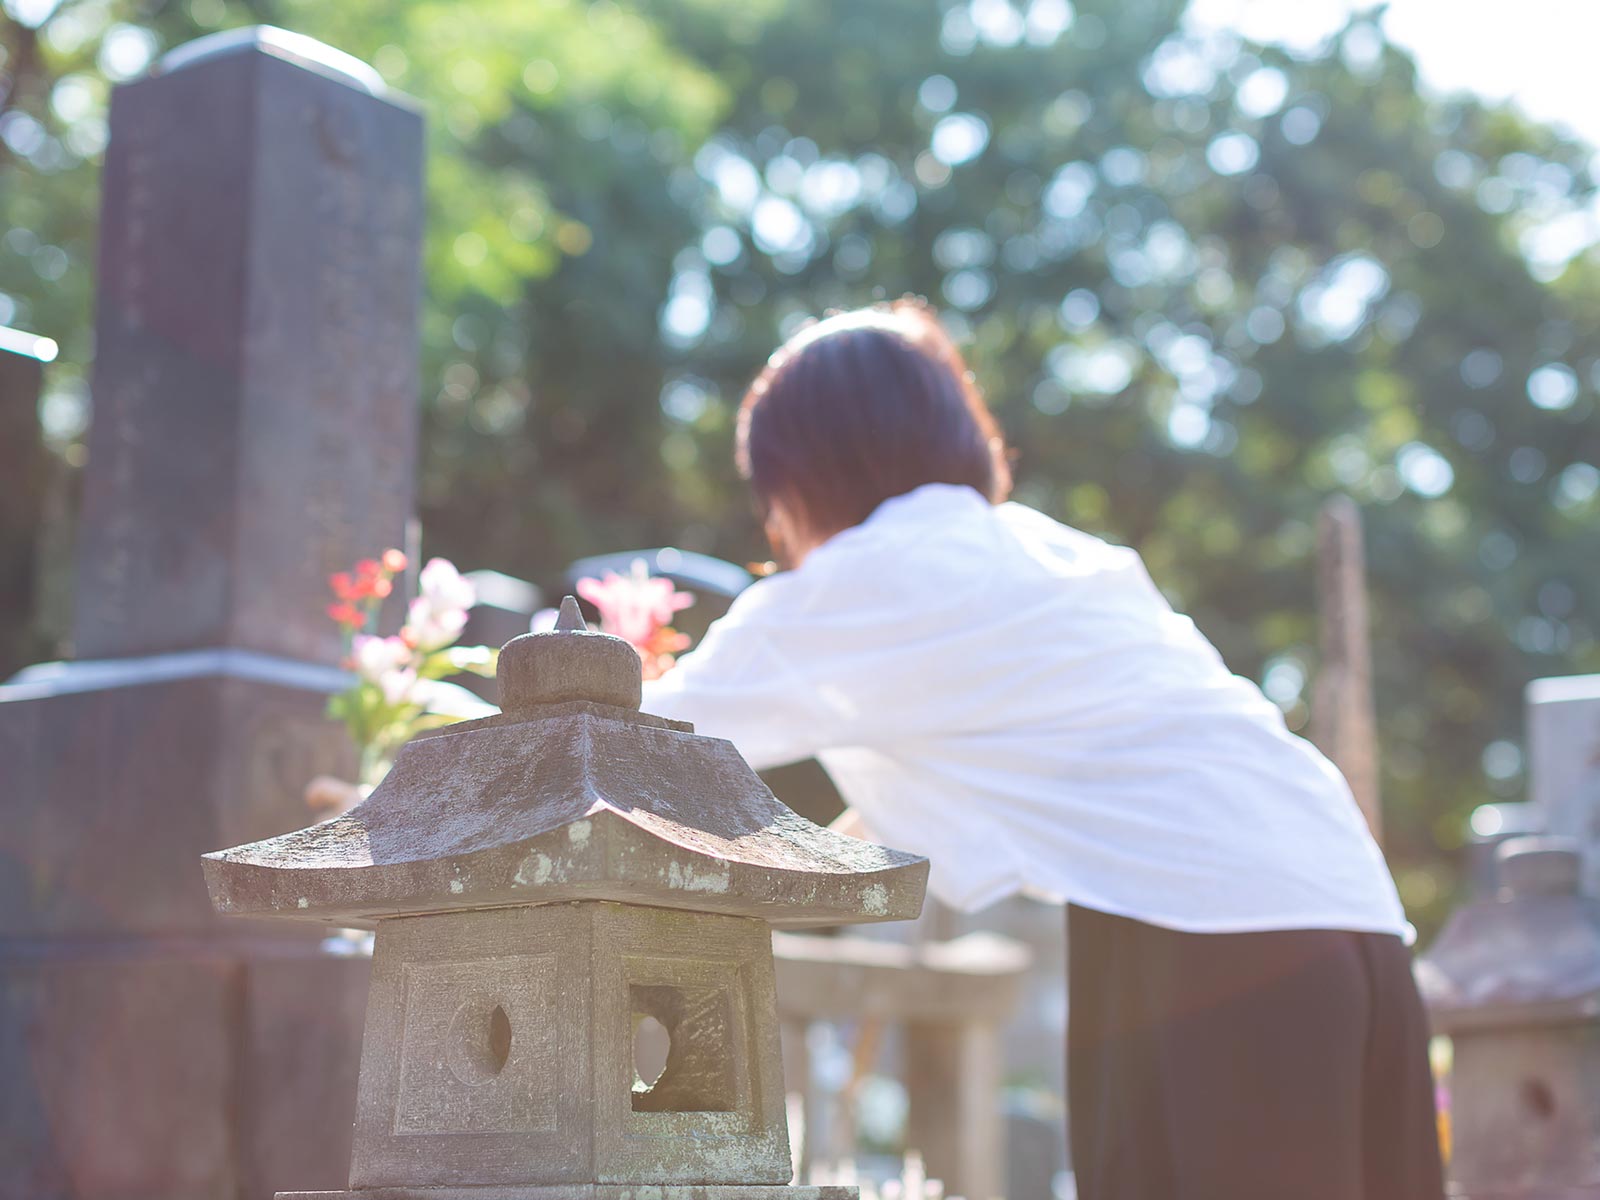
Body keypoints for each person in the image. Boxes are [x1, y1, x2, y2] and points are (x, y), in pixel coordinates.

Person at [640, 299, 1444, 1200]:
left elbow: (620, 729)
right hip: (1351, 915)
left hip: (1211, 938)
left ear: (800, 478)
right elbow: (896, 819)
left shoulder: (862, 579)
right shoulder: (1050, 553)